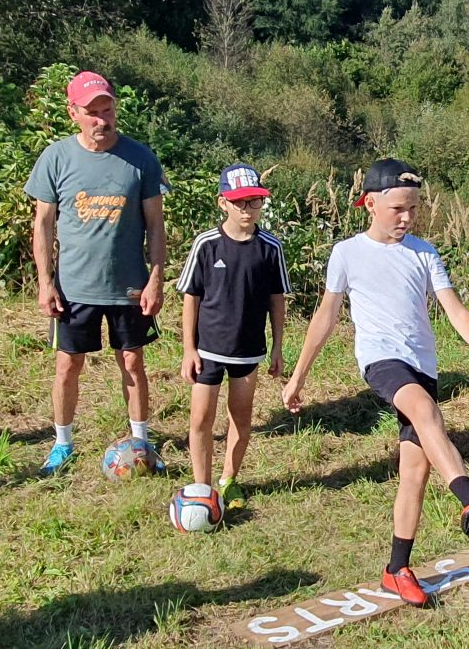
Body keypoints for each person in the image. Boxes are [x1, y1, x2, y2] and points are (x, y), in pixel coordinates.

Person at [281, 159, 469, 607]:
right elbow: (325, 316)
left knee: (414, 472)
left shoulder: (424, 253)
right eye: (398, 209)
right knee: (423, 409)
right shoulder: (348, 253)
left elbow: (454, 308)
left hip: (423, 365)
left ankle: (396, 569)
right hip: (381, 361)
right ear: (370, 204)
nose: (407, 218)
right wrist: (297, 377)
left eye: (414, 209)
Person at [27, 70, 168, 477]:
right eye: (92, 112)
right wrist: (45, 282)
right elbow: (43, 225)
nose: (101, 119)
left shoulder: (140, 158)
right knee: (67, 365)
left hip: (129, 286)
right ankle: (62, 444)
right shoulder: (55, 158)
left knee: (133, 361)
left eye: (107, 110)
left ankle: (141, 444)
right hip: (74, 286)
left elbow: (156, 225)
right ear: (73, 112)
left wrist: (156, 278)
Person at [177, 163, 288, 511]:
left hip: (248, 350)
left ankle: (228, 479)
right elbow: (191, 297)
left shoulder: (271, 247)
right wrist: (189, 349)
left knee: (241, 417)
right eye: (239, 202)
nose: (247, 209)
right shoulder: (206, 244)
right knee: (201, 419)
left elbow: (277, 300)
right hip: (208, 349)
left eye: (254, 201)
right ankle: (201, 486)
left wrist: (278, 348)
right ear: (222, 202)